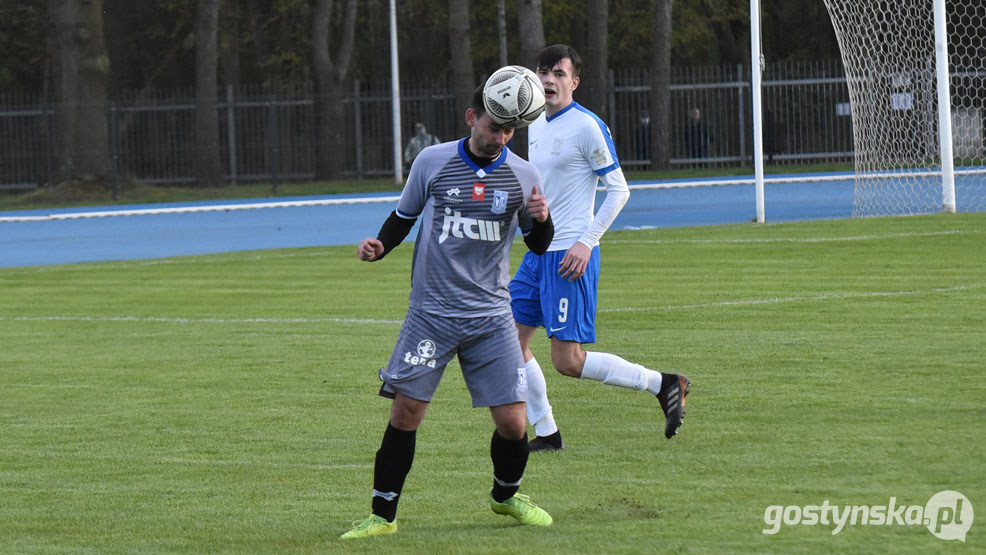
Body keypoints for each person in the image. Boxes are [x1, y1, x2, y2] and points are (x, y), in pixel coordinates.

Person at [341, 85, 556, 540]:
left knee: (515, 423)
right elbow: (404, 216)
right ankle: (382, 517)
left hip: (492, 318)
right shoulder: (432, 161)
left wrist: (542, 217)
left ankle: (506, 496)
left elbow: (537, 244)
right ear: (470, 117)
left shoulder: (523, 174)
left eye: (508, 131)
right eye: (493, 127)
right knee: (406, 413)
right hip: (432, 314)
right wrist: (379, 248)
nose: (501, 138)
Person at [509, 44, 691, 452]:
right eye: (543, 72)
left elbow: (619, 191)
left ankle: (662, 384)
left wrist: (586, 242)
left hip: (569, 256)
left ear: (574, 81)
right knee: (510, 342)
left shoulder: (587, 126)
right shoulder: (534, 120)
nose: (549, 80)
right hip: (538, 253)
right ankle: (547, 433)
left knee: (567, 362)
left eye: (558, 73)